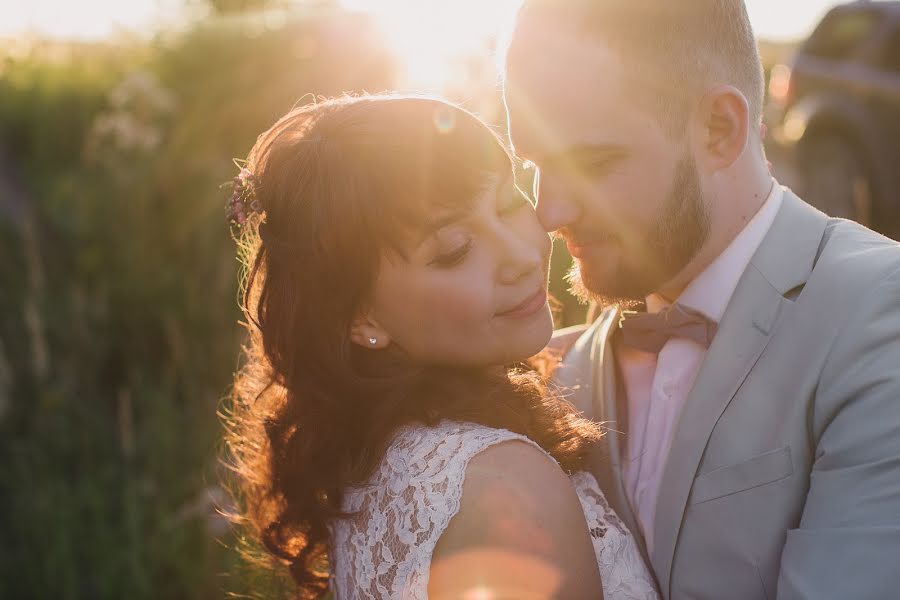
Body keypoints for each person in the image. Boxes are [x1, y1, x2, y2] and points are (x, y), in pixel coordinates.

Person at [503, 1, 900, 598]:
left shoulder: (877, 312)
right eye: (534, 164)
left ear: (720, 129)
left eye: (592, 162)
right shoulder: (562, 351)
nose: (550, 211)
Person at [224, 95, 659, 599]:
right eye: (454, 250)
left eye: (510, 204)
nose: (521, 255)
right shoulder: (502, 488)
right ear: (360, 316)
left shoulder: (369, 456)